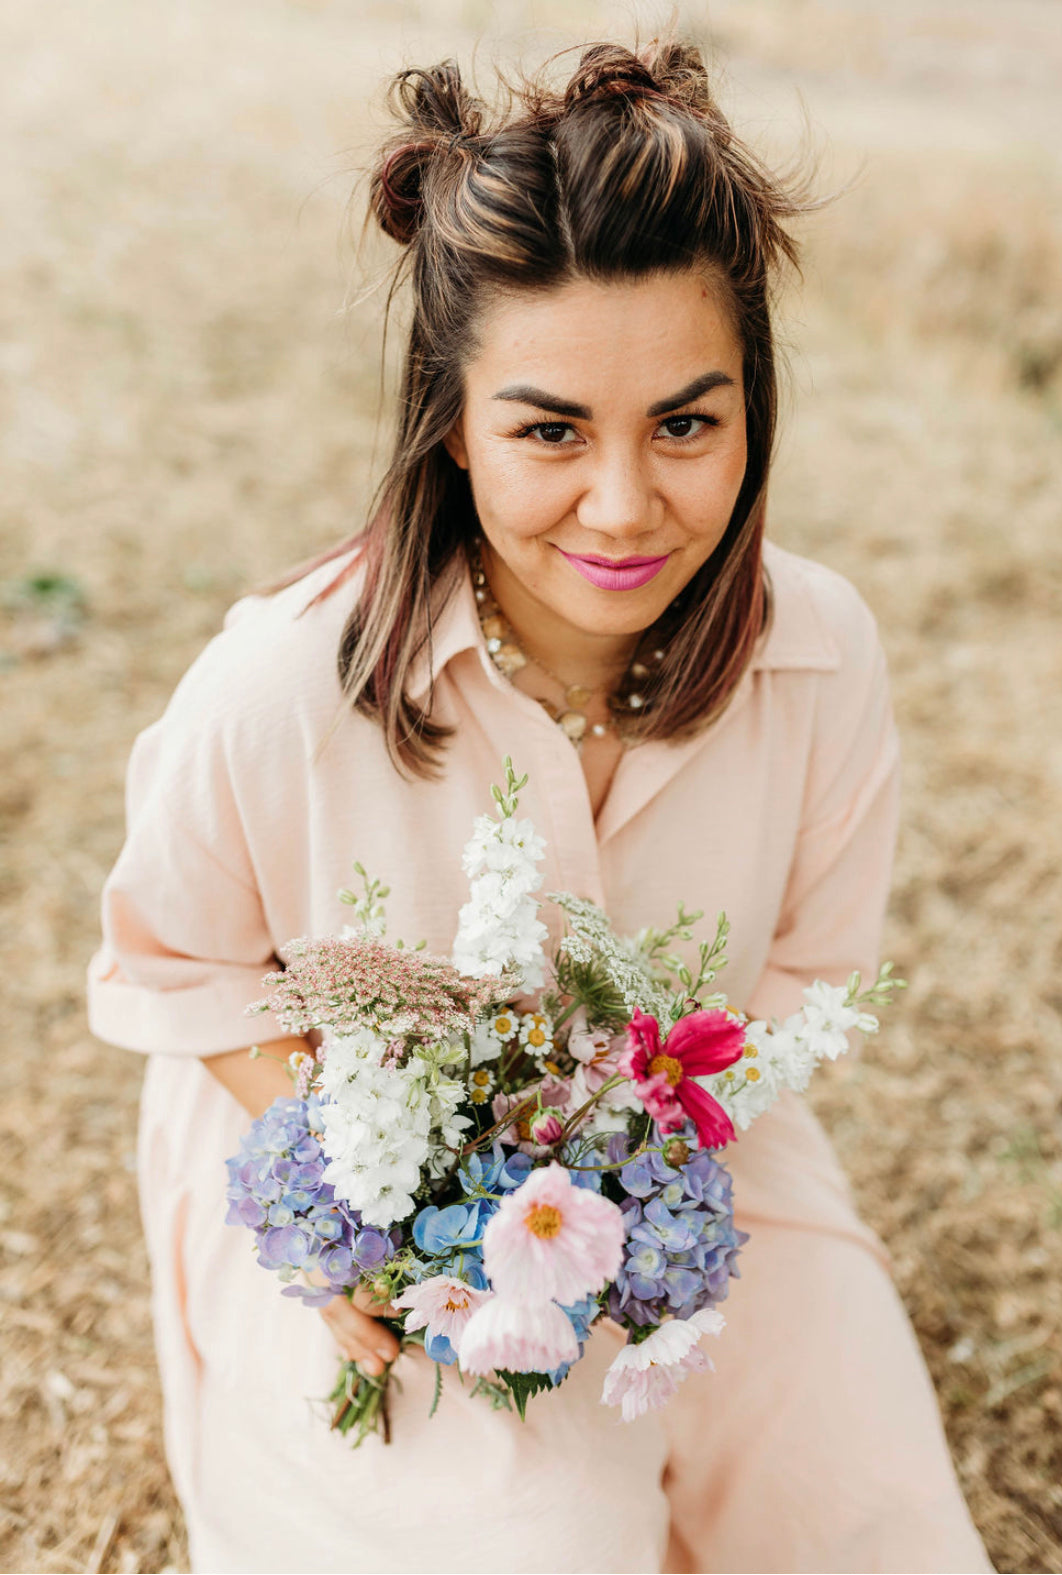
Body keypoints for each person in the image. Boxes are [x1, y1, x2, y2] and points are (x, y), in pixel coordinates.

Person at [88, 39, 993, 1575]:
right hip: (353, 1163)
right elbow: (168, 968)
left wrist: (632, 1166)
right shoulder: (285, 685)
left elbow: (801, 980)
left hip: (686, 1151)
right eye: (550, 428)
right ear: (451, 420)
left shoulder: (822, 658)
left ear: (753, 412)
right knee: (532, 1548)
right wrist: (371, 1196)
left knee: (873, 1536)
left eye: (686, 424)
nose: (627, 505)